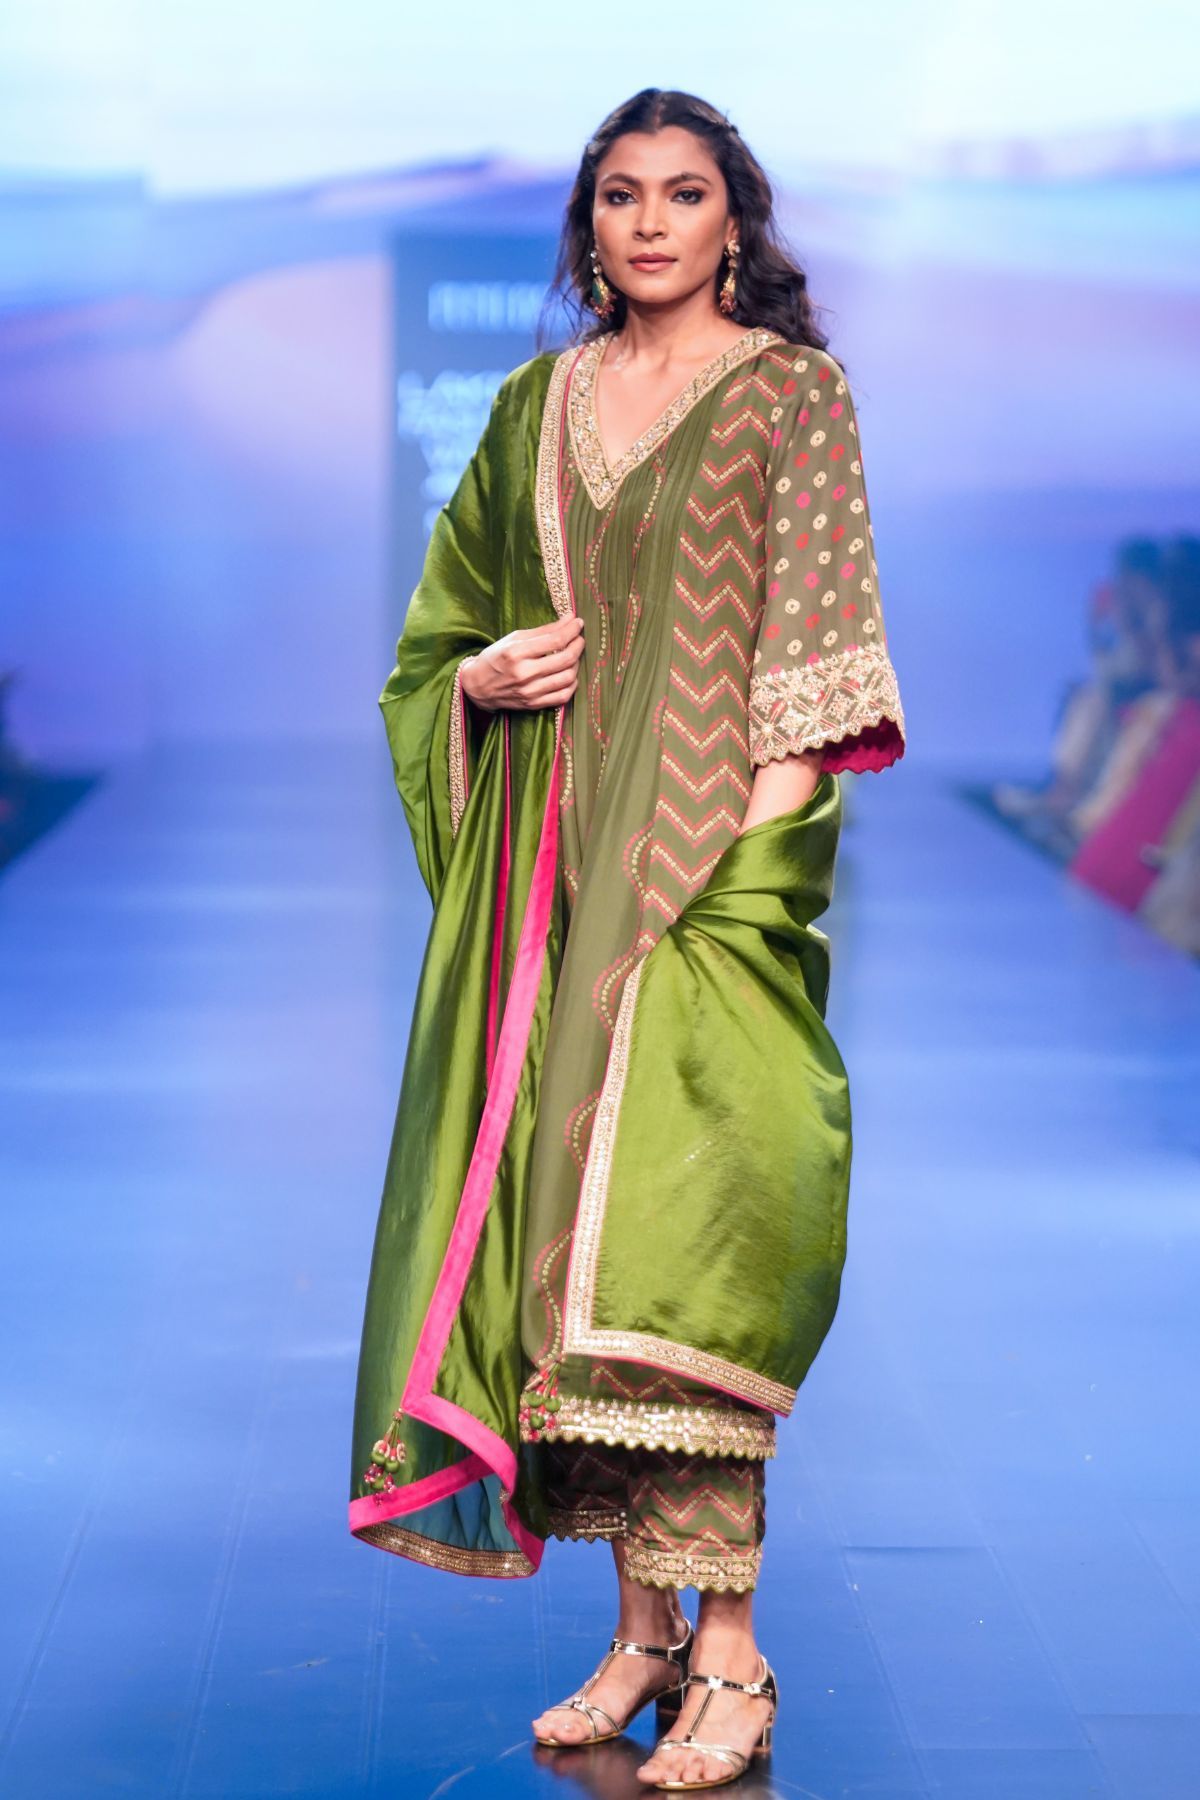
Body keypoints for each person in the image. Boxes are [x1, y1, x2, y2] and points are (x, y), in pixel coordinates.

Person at [350, 88, 906, 1791]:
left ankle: (733, 1655)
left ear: (736, 221)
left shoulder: (791, 398)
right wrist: (478, 678)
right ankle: (645, 1637)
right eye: (619, 196)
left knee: (689, 1253)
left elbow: (819, 661)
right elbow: (441, 639)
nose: (651, 222)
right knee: (567, 1272)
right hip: (551, 892)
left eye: (684, 193)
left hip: (705, 884)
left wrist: (735, 890)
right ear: (588, 226)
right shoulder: (537, 405)